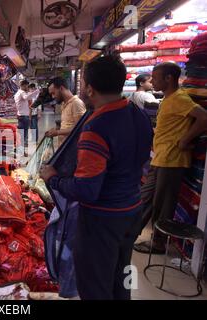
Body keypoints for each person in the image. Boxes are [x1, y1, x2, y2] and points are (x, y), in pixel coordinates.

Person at [40, 55, 153, 300]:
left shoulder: (96, 128)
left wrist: (52, 179)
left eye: (82, 84)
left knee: (95, 286)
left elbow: (86, 190)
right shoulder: (138, 114)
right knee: (122, 275)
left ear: (90, 89)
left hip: (103, 220)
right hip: (132, 211)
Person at [134, 62, 207, 254]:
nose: (152, 81)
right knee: (146, 197)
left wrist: (185, 140)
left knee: (163, 203)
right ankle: (129, 233)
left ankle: (158, 243)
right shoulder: (167, 99)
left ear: (169, 78)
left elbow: (204, 118)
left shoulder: (180, 98)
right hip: (160, 157)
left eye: (155, 78)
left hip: (172, 160)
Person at [44, 77, 86, 147]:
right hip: (65, 147)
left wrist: (57, 132)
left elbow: (80, 128)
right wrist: (57, 128)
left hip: (72, 148)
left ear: (61, 88)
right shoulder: (64, 104)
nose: (53, 96)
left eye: (53, 93)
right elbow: (69, 124)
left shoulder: (76, 103)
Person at [14, 80, 38, 155]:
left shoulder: (17, 93)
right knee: (24, 135)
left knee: (22, 135)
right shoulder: (22, 92)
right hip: (24, 117)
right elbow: (26, 97)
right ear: (23, 85)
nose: (27, 88)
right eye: (27, 86)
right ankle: (22, 151)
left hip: (21, 116)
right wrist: (37, 91)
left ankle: (21, 150)